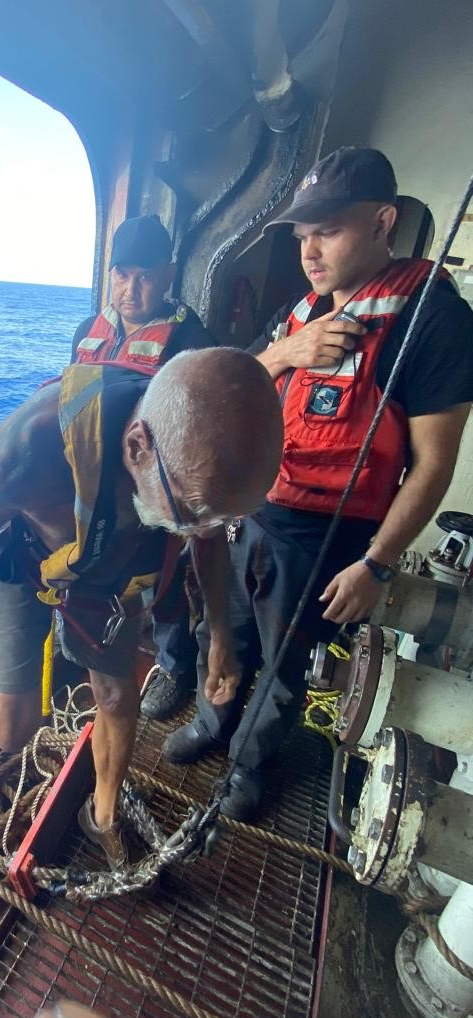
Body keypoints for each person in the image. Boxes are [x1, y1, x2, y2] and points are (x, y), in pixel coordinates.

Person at [0, 347, 283, 868]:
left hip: (108, 567)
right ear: (137, 447)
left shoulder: (193, 464)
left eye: (213, 518)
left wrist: (219, 636)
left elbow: (207, 536)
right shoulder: (27, 450)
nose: (202, 530)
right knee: (13, 731)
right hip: (26, 555)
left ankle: (102, 816)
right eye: (190, 514)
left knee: (116, 695)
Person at [163, 146, 473, 823]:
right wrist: (285, 352)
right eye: (303, 234)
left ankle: (249, 761)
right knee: (225, 629)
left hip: (327, 537)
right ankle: (213, 721)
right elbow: (233, 387)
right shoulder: (302, 313)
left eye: (328, 229)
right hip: (253, 512)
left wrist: (377, 566)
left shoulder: (433, 322)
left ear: (382, 221)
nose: (310, 250)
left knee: (287, 660)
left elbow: (434, 466)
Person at [72, 214, 216, 720]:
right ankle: (100, 644)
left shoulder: (189, 339)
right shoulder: (87, 331)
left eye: (146, 276)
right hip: (94, 487)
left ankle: (176, 666)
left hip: (155, 490)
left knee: (164, 581)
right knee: (98, 572)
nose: (131, 289)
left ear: (169, 275)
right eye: (122, 274)